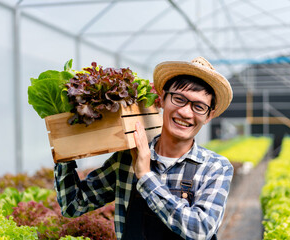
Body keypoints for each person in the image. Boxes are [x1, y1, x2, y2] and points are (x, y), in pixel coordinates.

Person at [54, 56, 234, 240]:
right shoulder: (127, 158)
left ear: (209, 116)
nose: (186, 113)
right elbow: (74, 205)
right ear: (162, 98)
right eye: (179, 99)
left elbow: (200, 229)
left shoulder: (215, 167)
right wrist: (64, 151)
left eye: (199, 106)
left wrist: (146, 176)